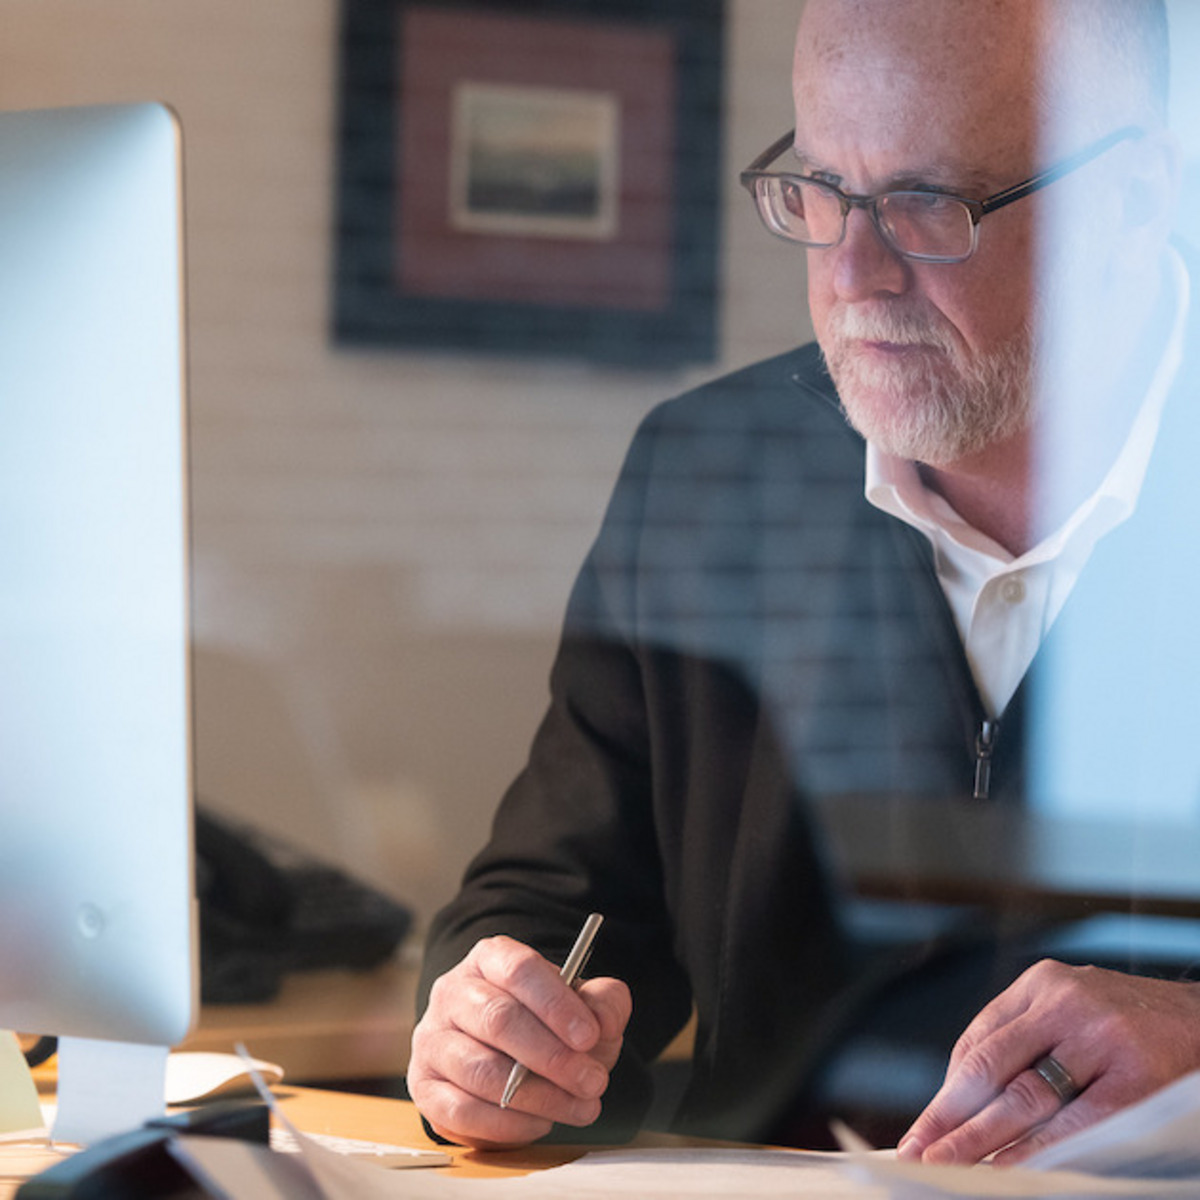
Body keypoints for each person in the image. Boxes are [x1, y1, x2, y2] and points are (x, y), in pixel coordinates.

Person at [408, 0, 1200, 1164]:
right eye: (822, 189)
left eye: (929, 205)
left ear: (1130, 201)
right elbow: (561, 902)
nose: (853, 273)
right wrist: (492, 1037)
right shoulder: (709, 476)